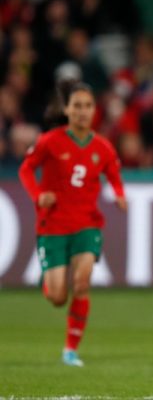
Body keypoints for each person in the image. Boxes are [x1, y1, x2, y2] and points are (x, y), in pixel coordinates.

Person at [18, 80, 127, 367]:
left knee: (82, 283)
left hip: (87, 225)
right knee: (57, 296)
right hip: (52, 226)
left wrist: (119, 195)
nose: (82, 111)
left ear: (95, 110)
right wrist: (38, 195)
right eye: (76, 106)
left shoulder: (102, 147)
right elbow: (26, 169)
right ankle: (48, 279)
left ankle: (70, 350)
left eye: (87, 106)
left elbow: (114, 174)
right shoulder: (50, 141)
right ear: (66, 109)